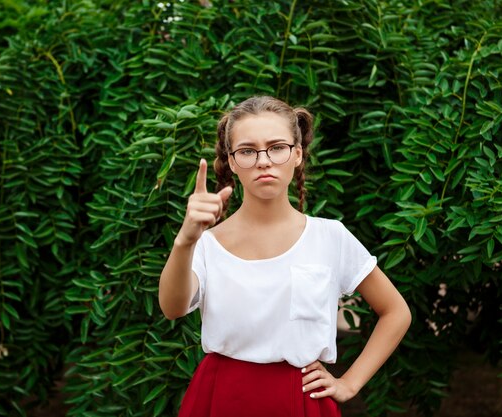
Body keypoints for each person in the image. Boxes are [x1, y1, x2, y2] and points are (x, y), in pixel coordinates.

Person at [158, 96, 411, 417]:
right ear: (232, 162)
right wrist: (185, 240)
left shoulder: (330, 237)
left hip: (301, 399)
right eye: (248, 151)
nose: (263, 161)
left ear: (297, 154)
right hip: (220, 396)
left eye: (277, 147)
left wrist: (350, 383)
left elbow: (396, 311)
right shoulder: (207, 244)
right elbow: (172, 307)